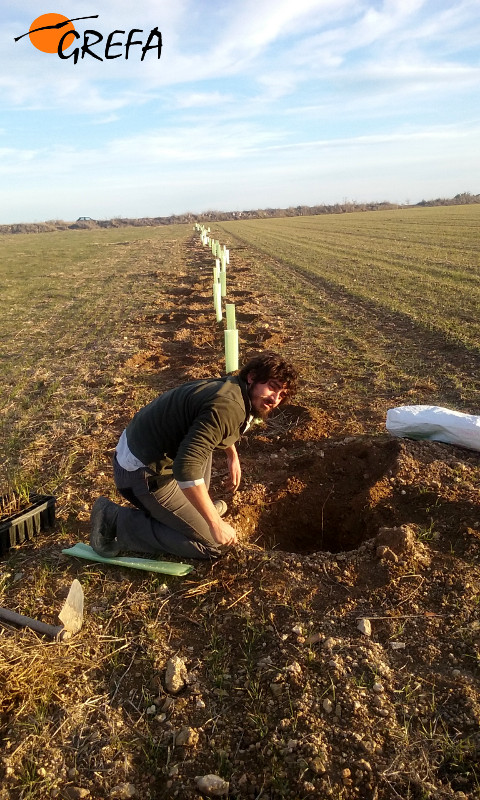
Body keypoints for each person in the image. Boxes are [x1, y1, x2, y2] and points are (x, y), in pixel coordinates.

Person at [90, 351, 298, 560]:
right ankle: (114, 519)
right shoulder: (228, 406)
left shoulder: (234, 388)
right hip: (142, 472)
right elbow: (187, 468)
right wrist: (215, 524)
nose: (275, 399)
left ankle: (189, 514)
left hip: (151, 453)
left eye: (282, 395)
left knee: (199, 473)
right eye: (272, 387)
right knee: (214, 545)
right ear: (252, 377)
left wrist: (232, 455)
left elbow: (213, 427)